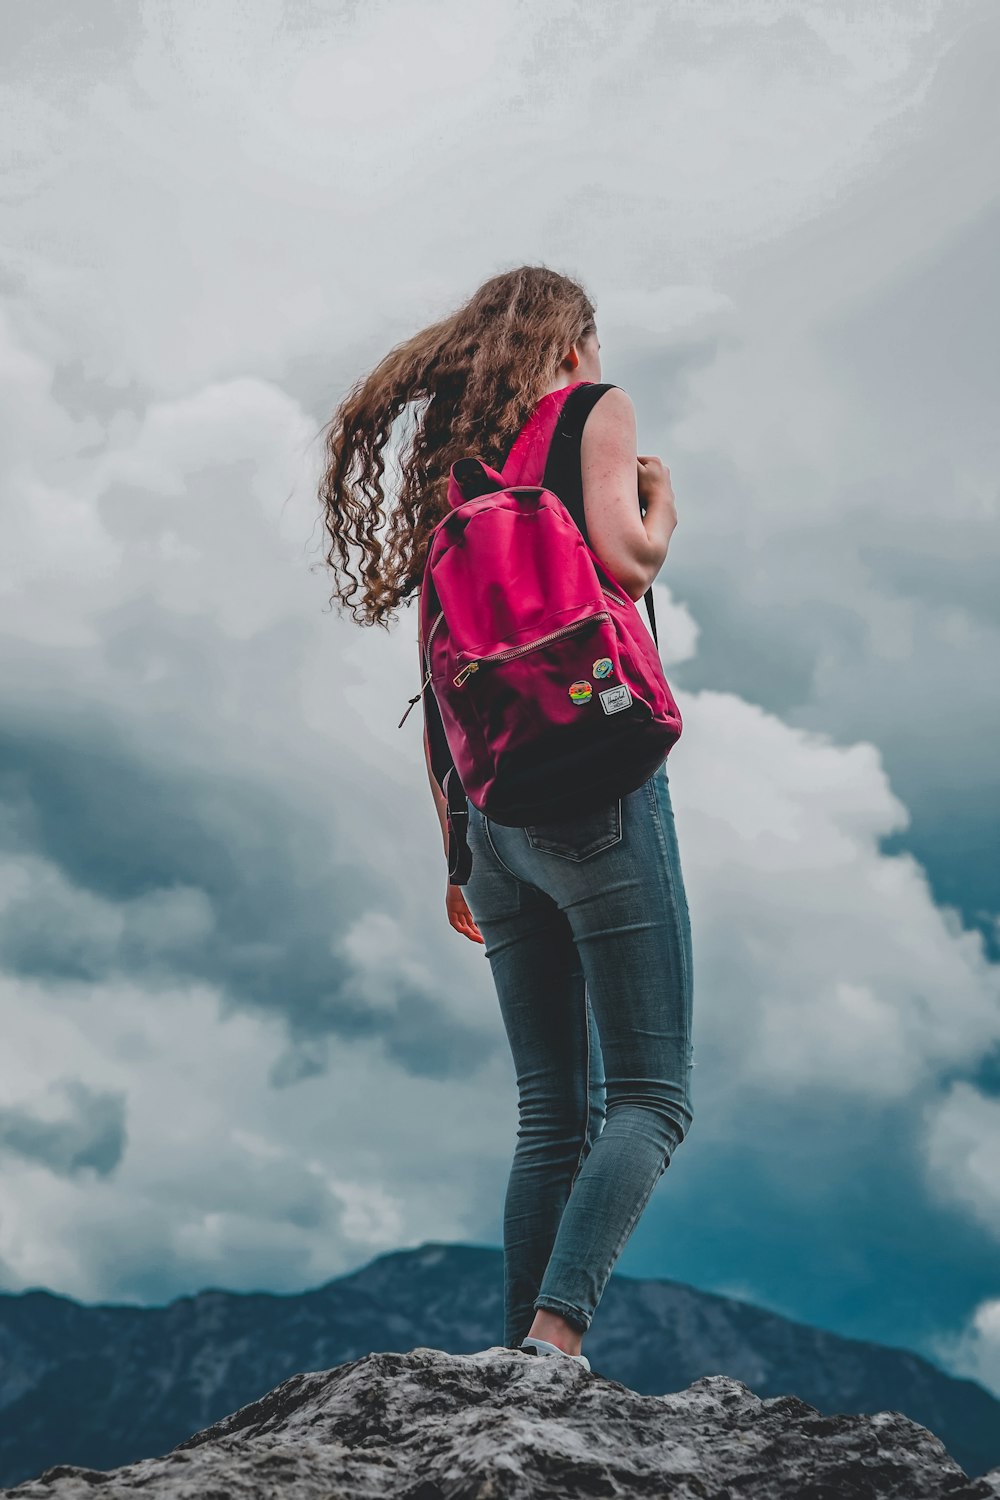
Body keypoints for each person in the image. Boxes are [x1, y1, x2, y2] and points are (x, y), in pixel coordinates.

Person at [318, 265, 693, 1371]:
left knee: (549, 1113)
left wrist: (458, 852)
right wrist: (660, 502)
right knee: (651, 1099)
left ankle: (508, 1374)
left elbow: (445, 677)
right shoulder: (593, 410)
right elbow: (627, 561)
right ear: (570, 345)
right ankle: (553, 1341)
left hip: (488, 821)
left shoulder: (455, 473)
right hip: (598, 790)